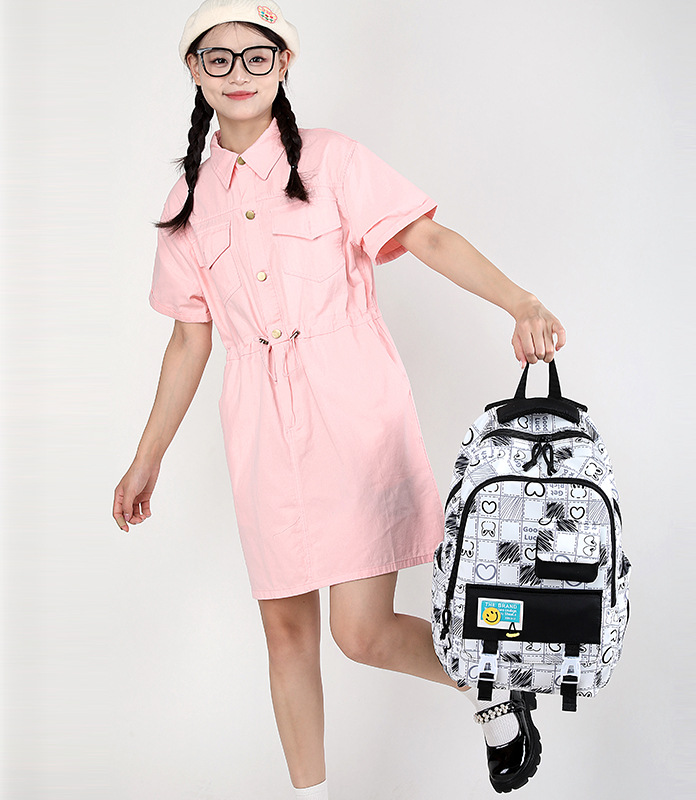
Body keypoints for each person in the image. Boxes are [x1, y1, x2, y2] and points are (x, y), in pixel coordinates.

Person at [112, 1, 567, 797]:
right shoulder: (187, 198)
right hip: (259, 426)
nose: (239, 74)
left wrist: (521, 302)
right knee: (286, 636)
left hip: (350, 409)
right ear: (194, 71)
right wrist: (145, 459)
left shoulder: (332, 159)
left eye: (257, 57)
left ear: (283, 64)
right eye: (218, 58)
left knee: (360, 633)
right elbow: (189, 340)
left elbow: (427, 236)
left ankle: (491, 683)